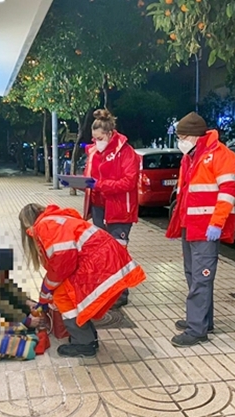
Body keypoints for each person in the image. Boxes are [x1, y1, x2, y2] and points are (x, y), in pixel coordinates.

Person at [19, 203, 146, 357]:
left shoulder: (44, 227)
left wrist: (46, 293)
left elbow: (61, 265)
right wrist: (44, 296)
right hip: (104, 257)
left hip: (99, 261)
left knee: (64, 297)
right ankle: (87, 337)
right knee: (69, 294)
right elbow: (60, 264)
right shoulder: (55, 219)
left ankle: (84, 343)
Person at [166, 112, 235, 347]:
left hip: (207, 228)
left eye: (183, 136)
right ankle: (201, 320)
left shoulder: (221, 156)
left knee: (201, 278)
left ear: (196, 136)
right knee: (192, 275)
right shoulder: (190, 156)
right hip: (191, 225)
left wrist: (217, 223)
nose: (180, 141)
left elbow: (229, 191)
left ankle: (197, 329)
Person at [81, 109, 140, 308]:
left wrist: (100, 185)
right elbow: (91, 178)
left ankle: (121, 293)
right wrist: (81, 183)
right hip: (99, 208)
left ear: (109, 134)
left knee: (118, 251)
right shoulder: (93, 151)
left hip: (120, 210)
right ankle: (108, 289)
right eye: (93, 138)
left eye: (99, 137)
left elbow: (128, 182)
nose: (96, 141)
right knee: (104, 252)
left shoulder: (126, 152)